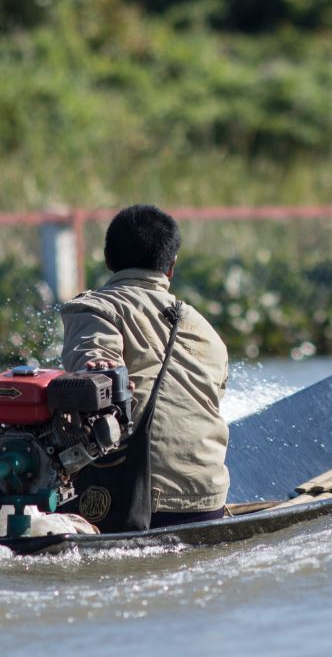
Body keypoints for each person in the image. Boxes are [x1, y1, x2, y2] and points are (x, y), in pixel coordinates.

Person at [60, 204, 229, 529]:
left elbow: (94, 362)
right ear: (171, 267)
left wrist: (97, 369)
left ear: (107, 258)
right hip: (208, 503)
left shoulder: (95, 308)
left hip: (131, 503)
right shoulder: (207, 331)